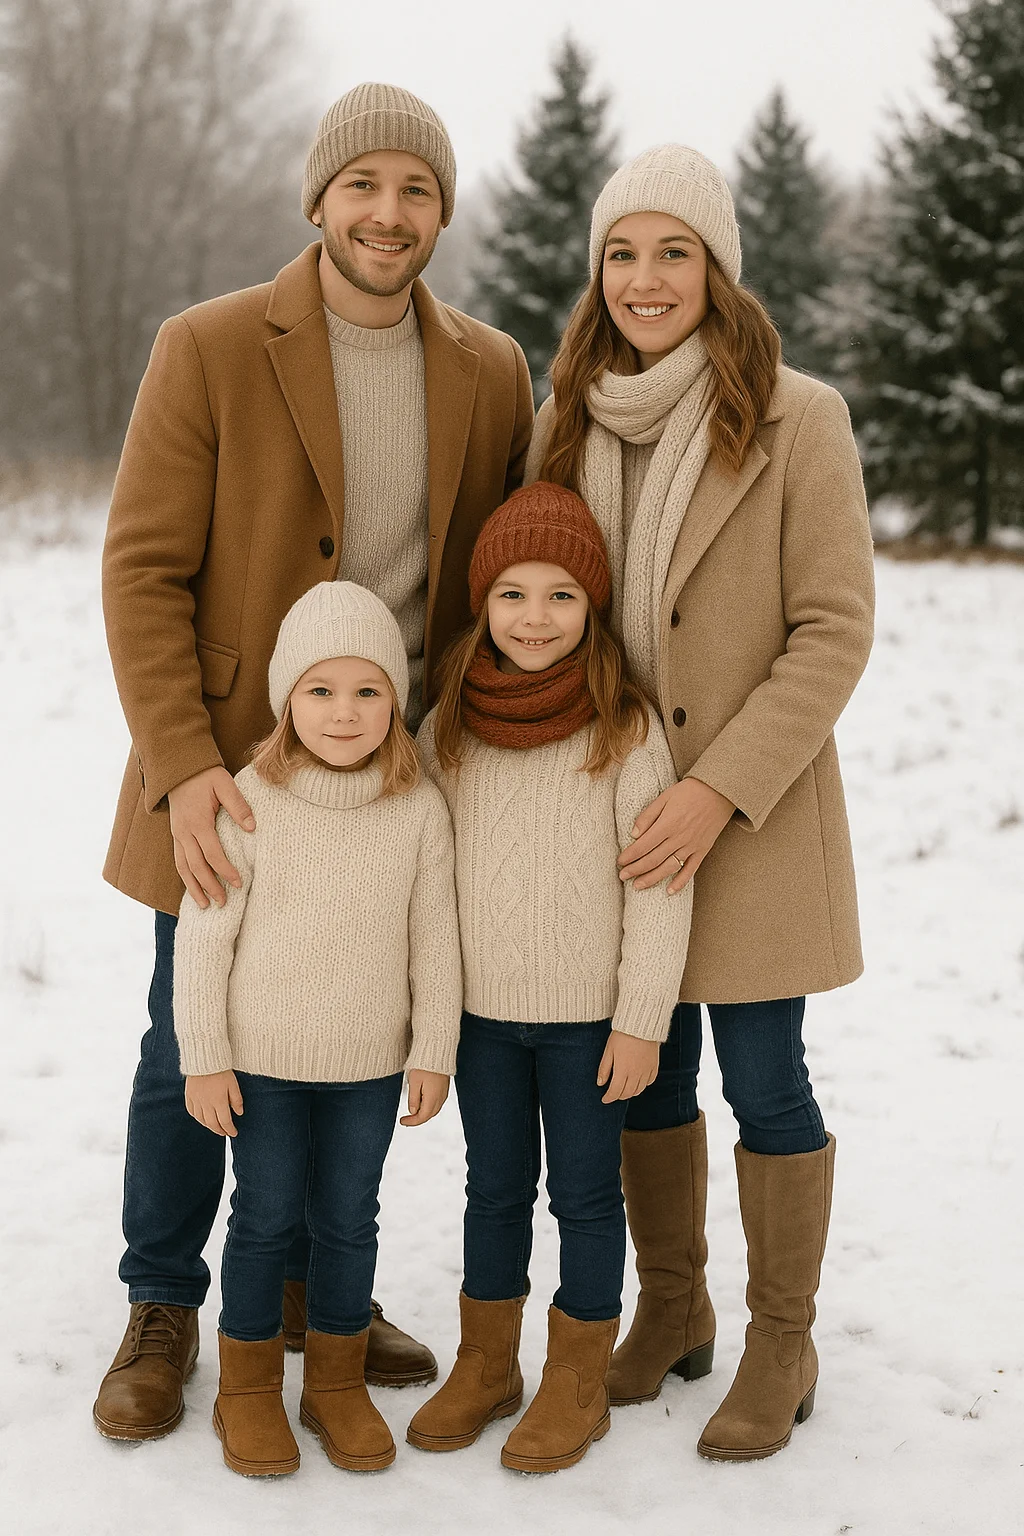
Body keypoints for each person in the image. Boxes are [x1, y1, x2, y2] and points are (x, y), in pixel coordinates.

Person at [95, 81, 533, 1442]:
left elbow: (482, 590)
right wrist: (182, 766)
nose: (388, 215)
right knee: (191, 1040)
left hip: (388, 785)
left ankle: (304, 1296)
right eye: (364, 188)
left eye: (416, 192)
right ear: (320, 200)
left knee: (345, 1042)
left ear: (441, 215)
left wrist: (448, 750)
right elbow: (143, 568)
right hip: (230, 770)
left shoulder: (490, 369)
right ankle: (165, 1302)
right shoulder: (212, 346)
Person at [526, 145, 875, 1462]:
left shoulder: (801, 416)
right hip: (613, 823)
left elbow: (833, 629)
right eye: (623, 252)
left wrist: (718, 789)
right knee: (644, 1065)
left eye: (675, 252)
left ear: (717, 270)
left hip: (755, 819)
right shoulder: (564, 419)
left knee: (764, 1074)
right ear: (596, 271)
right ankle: (674, 1303)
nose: (647, 279)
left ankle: (784, 1339)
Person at [406, 483, 692, 1473]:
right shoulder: (446, 727)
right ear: (481, 603)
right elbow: (419, 886)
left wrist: (641, 1019)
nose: (535, 618)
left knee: (582, 1196)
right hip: (482, 1024)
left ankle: (577, 1373)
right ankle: (488, 1363)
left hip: (587, 1025)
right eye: (514, 594)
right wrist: (428, 1031)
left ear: (594, 608)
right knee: (493, 1191)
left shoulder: (625, 728)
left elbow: (660, 890)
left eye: (562, 596)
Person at [174, 581, 461, 1477]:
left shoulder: (417, 809)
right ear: (287, 699)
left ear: (397, 701)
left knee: (349, 1220)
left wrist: (433, 1050)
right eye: (321, 691)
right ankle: (246, 1386)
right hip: (260, 1065)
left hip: (369, 1068)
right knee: (261, 1219)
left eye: (369, 691)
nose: (345, 713)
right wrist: (205, 1060)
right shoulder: (250, 801)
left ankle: (335, 1383)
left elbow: (435, 941)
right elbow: (203, 939)